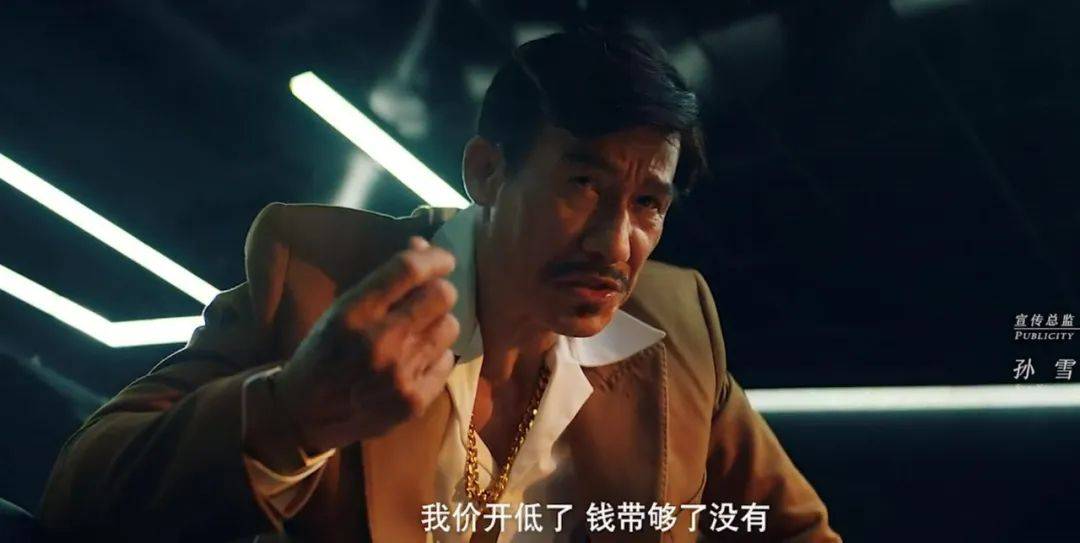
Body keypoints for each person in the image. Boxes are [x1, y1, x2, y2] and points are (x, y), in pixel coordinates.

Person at [39, 27, 840, 543]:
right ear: (486, 172)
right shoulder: (321, 274)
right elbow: (81, 498)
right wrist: (290, 413)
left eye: (648, 204)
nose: (614, 242)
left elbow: (797, 530)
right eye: (583, 184)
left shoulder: (679, 322)